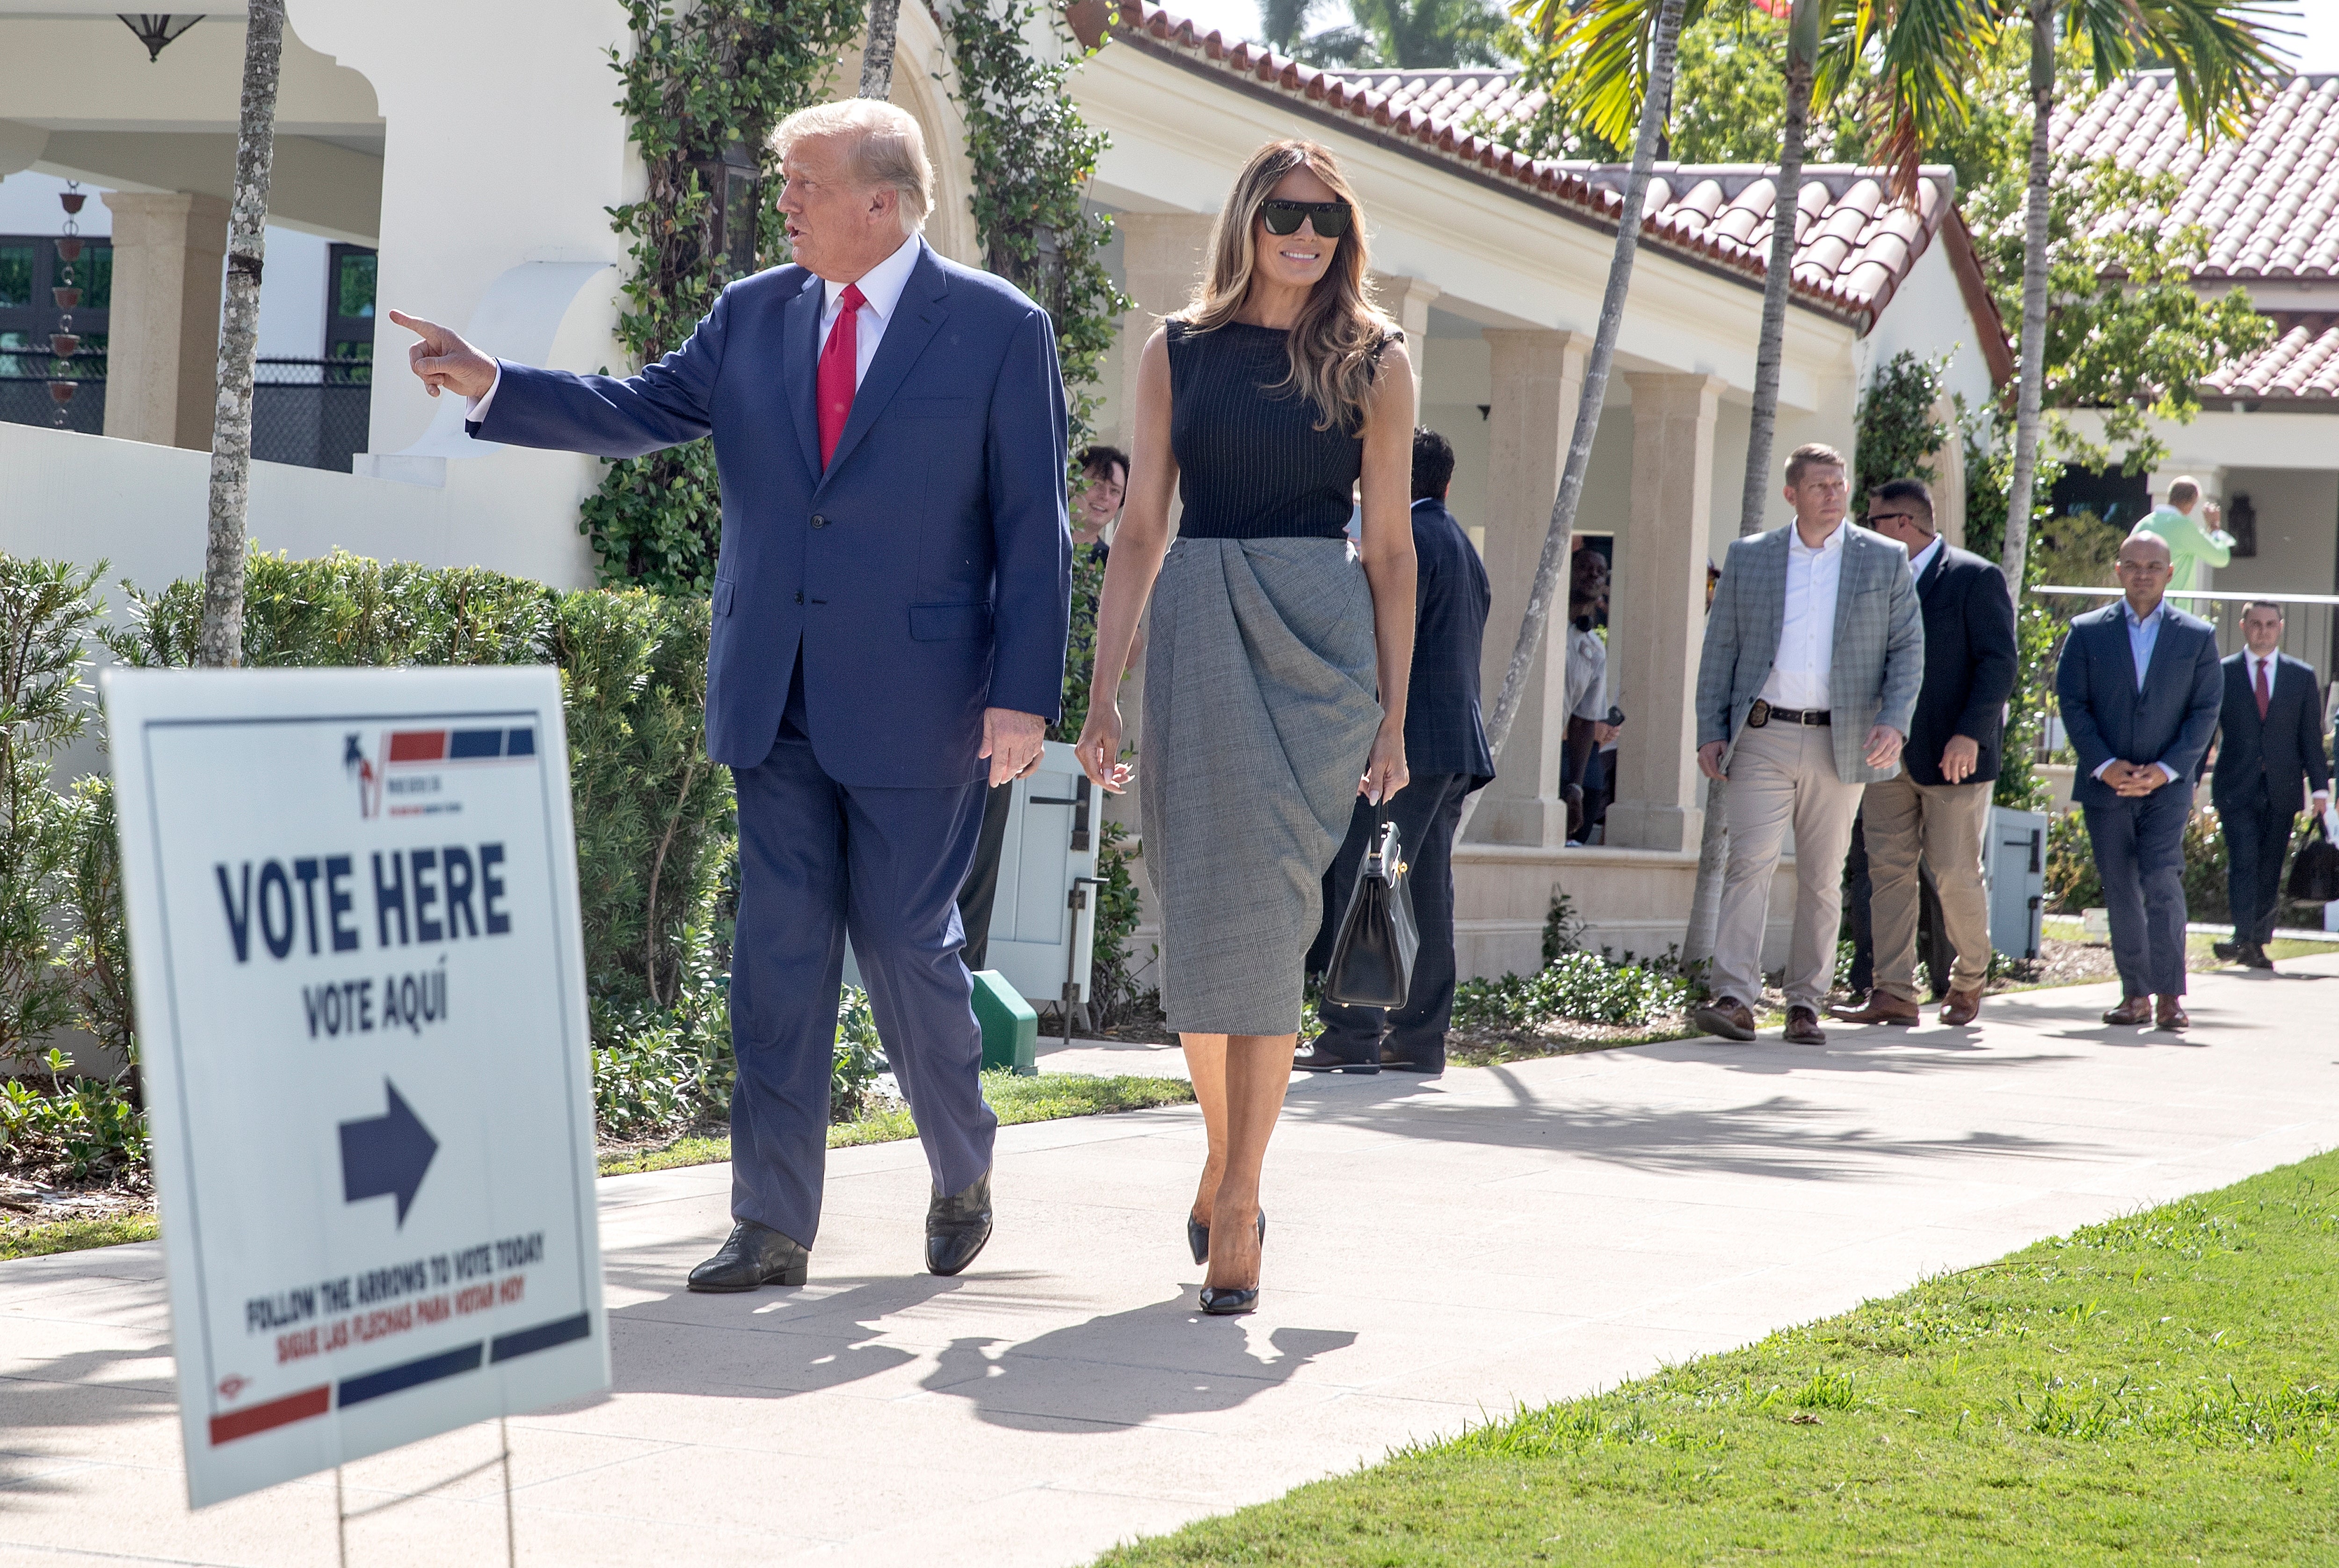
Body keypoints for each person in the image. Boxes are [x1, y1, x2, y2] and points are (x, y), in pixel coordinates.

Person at [391, 99, 1072, 1289]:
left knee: (910, 944)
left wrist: (1023, 696)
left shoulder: (998, 327)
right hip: (773, 690)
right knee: (776, 956)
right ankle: (772, 1221)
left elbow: (1034, 525)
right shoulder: (753, 314)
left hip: (926, 701)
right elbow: (641, 410)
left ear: (882, 200)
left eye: (804, 184)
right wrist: (495, 382)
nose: (784, 204)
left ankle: (960, 1156)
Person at [1074, 138, 1416, 1315]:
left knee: (1272, 917)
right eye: (1286, 212)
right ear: (1249, 218)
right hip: (1200, 629)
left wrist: (1397, 716)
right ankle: (1224, 1155)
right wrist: (1100, 686)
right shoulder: (1177, 351)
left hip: (1320, 647)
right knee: (1208, 915)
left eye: (1326, 216)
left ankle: (1241, 1196)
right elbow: (1138, 531)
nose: (1307, 234)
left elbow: (1389, 550)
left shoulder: (1376, 359)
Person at [1689, 443, 1924, 1047]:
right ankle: (1736, 997)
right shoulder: (1752, 558)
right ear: (1791, 494)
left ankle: (1805, 1005)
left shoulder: (1885, 559)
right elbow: (1721, 648)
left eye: (1839, 483)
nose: (1833, 493)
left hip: (1841, 739)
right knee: (1751, 865)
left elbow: (1907, 651)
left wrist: (1894, 721)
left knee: (1823, 877)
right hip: (1763, 733)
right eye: (1819, 485)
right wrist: (1712, 730)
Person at [1296, 425, 1493, 1077]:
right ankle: (1419, 1038)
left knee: (1366, 880)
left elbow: (1375, 645)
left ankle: (1351, 1034)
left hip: (1403, 744)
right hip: (1453, 746)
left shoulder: (1402, 542)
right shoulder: (1460, 543)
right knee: (1425, 891)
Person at [1832, 478, 2018, 1029]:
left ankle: (1968, 978)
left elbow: (1997, 664)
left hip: (1952, 756)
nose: (1866, 531)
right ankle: (1893, 991)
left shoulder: (1973, 576)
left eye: (1872, 521)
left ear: (1903, 525)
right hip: (1884, 753)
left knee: (1953, 871)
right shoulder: (1870, 579)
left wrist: (1970, 733)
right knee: (1886, 871)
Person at [957, 444, 1134, 973]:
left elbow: (1134, 643)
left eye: (1114, 490)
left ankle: (976, 982)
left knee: (1019, 875)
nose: (1103, 496)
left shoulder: (1112, 568)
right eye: (1096, 482)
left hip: (1063, 736)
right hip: (998, 720)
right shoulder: (1033, 552)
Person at [2054, 530, 2222, 1030]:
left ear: (2169, 573)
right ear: (2117, 570)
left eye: (2153, 566)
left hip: (2167, 786)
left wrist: (2166, 770)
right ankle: (2134, 995)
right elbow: (2073, 704)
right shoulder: (2086, 631)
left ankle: (2169, 995)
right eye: (2133, 565)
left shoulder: (2196, 636)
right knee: (2120, 888)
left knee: (2160, 878)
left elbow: (2205, 709)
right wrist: (2103, 765)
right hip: (2105, 784)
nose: (2142, 574)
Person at [2209, 599, 2331, 970]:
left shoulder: (2301, 676)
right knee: (2243, 859)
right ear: (2244, 626)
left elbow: (2311, 737)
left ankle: (2256, 942)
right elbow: (2204, 730)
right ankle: (2242, 935)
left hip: (2281, 786)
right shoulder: (2223, 673)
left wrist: (2321, 791)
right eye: (2256, 623)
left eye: (2270, 624)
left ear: (2281, 627)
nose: (2263, 631)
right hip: (2236, 785)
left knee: (2270, 865)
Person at [1561, 548, 1614, 843]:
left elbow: (1584, 721)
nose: (1593, 575)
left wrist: (1576, 787)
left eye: (1600, 571)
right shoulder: (1542, 629)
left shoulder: (1595, 648)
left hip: (1563, 760)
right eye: (1584, 568)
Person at [2133, 476, 2235, 594]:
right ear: (2193, 502)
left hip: (2139, 605)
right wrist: (2214, 526)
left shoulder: (2142, 524)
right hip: (2172, 606)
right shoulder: (2184, 526)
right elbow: (2221, 558)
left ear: (2170, 496)